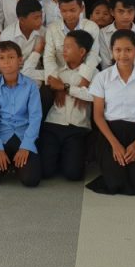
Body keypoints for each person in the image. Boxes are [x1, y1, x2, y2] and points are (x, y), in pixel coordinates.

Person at [87, 29, 135, 195]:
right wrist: (115, 144)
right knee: (115, 182)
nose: (123, 55)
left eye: (128, 50)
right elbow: (98, 116)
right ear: (111, 51)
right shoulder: (102, 77)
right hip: (110, 133)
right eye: (118, 50)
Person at [0, 41, 42, 187]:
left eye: (11, 57)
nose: (6, 62)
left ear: (20, 60)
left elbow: (35, 118)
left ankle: (15, 164)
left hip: (23, 136)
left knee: (31, 180)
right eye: (1, 58)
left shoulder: (31, 86)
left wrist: (26, 146)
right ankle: (9, 163)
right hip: (2, 137)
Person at [39, 29, 95, 181]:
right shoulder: (57, 72)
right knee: (44, 171)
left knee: (73, 174)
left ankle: (67, 157)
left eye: (68, 47)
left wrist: (65, 88)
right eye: (63, 46)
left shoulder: (94, 74)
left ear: (82, 52)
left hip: (77, 128)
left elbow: (93, 96)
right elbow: (29, 72)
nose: (64, 50)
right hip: (53, 125)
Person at [43, 0, 101, 83]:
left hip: (84, 76)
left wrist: (84, 81)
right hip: (60, 76)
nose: (68, 15)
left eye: (73, 10)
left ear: (82, 8)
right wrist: (54, 80)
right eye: (64, 11)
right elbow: (49, 57)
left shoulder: (91, 27)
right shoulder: (52, 29)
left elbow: (93, 55)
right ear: (59, 9)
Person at [97, 0, 135, 79]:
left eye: (130, 11)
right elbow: (106, 64)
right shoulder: (103, 34)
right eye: (121, 11)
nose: (126, 16)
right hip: (111, 79)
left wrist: (133, 79)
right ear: (112, 12)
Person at [0, 0, 46, 83]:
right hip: (14, 73)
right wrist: (37, 51)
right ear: (22, 20)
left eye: (41, 16)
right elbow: (9, 66)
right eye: (36, 18)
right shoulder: (7, 36)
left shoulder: (43, 32)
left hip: (35, 72)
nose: (40, 21)